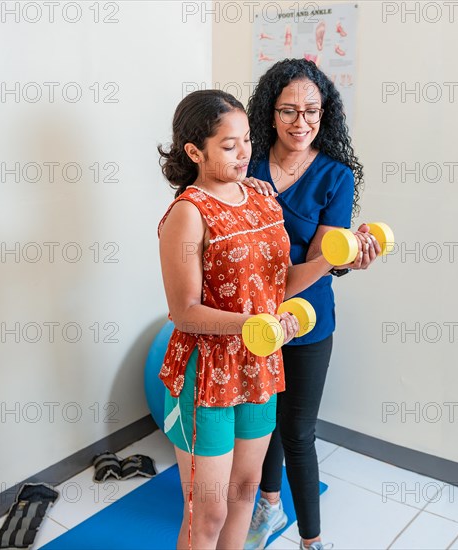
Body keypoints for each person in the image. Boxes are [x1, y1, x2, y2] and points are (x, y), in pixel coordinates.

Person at [157, 89, 368, 550]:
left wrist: (337, 260)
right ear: (195, 152)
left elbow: (279, 284)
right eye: (229, 146)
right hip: (207, 372)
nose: (245, 153)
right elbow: (184, 310)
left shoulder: (260, 199)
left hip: (259, 363)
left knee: (245, 493)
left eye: (248, 140)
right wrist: (253, 324)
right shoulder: (188, 214)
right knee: (206, 512)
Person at [243, 59, 380, 550]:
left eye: (312, 111)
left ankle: (312, 541)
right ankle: (267, 503)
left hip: (306, 316)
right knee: (264, 423)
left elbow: (324, 259)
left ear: (326, 113)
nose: (301, 122)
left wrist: (346, 258)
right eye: (288, 111)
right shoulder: (249, 162)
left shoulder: (335, 175)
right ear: (269, 112)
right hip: (251, 317)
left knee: (297, 429)